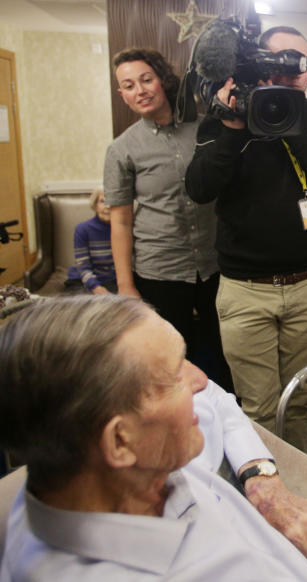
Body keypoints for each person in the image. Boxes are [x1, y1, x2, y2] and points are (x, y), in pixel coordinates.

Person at [0, 295, 307, 582]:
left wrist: (264, 483)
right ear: (119, 443)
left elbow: (219, 401)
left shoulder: (124, 464)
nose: (202, 379)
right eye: (175, 374)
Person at [185, 26, 307, 449]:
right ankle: (262, 492)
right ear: (260, 64)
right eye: (278, 60)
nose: (291, 69)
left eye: (299, 60)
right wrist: (234, 127)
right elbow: (200, 188)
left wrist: (292, 130)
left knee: (299, 403)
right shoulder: (225, 120)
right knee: (258, 407)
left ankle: (292, 487)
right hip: (245, 291)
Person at [103, 48, 228, 389]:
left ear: (162, 81)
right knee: (168, 365)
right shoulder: (121, 149)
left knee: (224, 359)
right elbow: (121, 222)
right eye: (128, 86)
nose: (140, 91)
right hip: (160, 269)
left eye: (146, 80)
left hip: (216, 263)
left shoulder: (207, 129)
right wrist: (126, 286)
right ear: (122, 95)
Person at [65, 188, 116, 294]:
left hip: (111, 280)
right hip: (83, 279)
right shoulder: (82, 229)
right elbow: (83, 265)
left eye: (113, 201)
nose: (108, 206)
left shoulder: (125, 229)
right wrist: (95, 287)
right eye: (103, 201)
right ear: (95, 205)